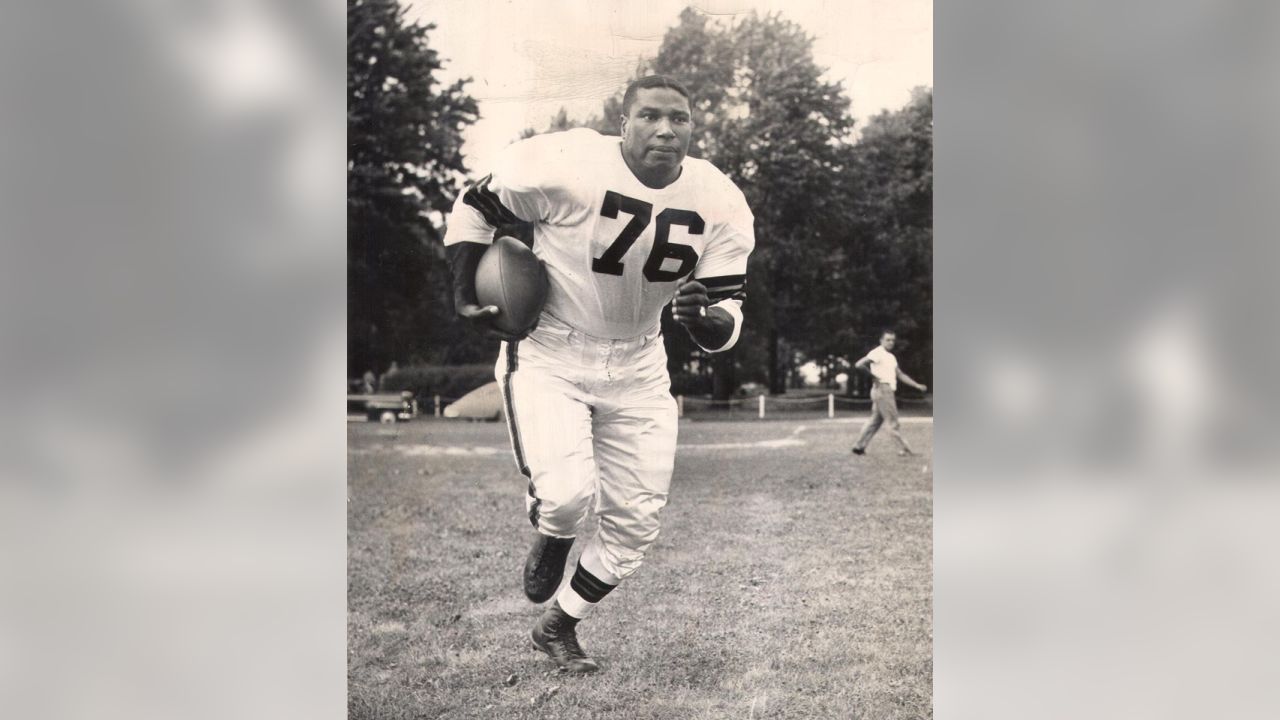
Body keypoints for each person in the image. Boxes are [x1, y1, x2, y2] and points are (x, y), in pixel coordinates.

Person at [443, 75, 754, 674]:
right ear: (624, 123)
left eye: (680, 120)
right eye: (650, 117)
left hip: (639, 362)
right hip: (552, 350)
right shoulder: (566, 163)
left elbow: (730, 315)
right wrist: (462, 291)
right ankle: (555, 535)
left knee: (635, 528)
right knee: (565, 501)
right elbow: (474, 205)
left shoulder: (720, 199)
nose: (665, 130)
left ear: (693, 128)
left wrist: (704, 320)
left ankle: (558, 626)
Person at [851, 330, 927, 456]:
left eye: (892, 340)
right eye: (888, 340)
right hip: (883, 390)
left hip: (884, 390)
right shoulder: (877, 352)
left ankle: (858, 446)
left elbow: (900, 374)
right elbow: (859, 365)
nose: (891, 342)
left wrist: (916, 385)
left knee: (875, 421)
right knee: (893, 421)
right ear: (881, 341)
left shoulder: (891, 357)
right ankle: (904, 449)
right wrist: (874, 377)